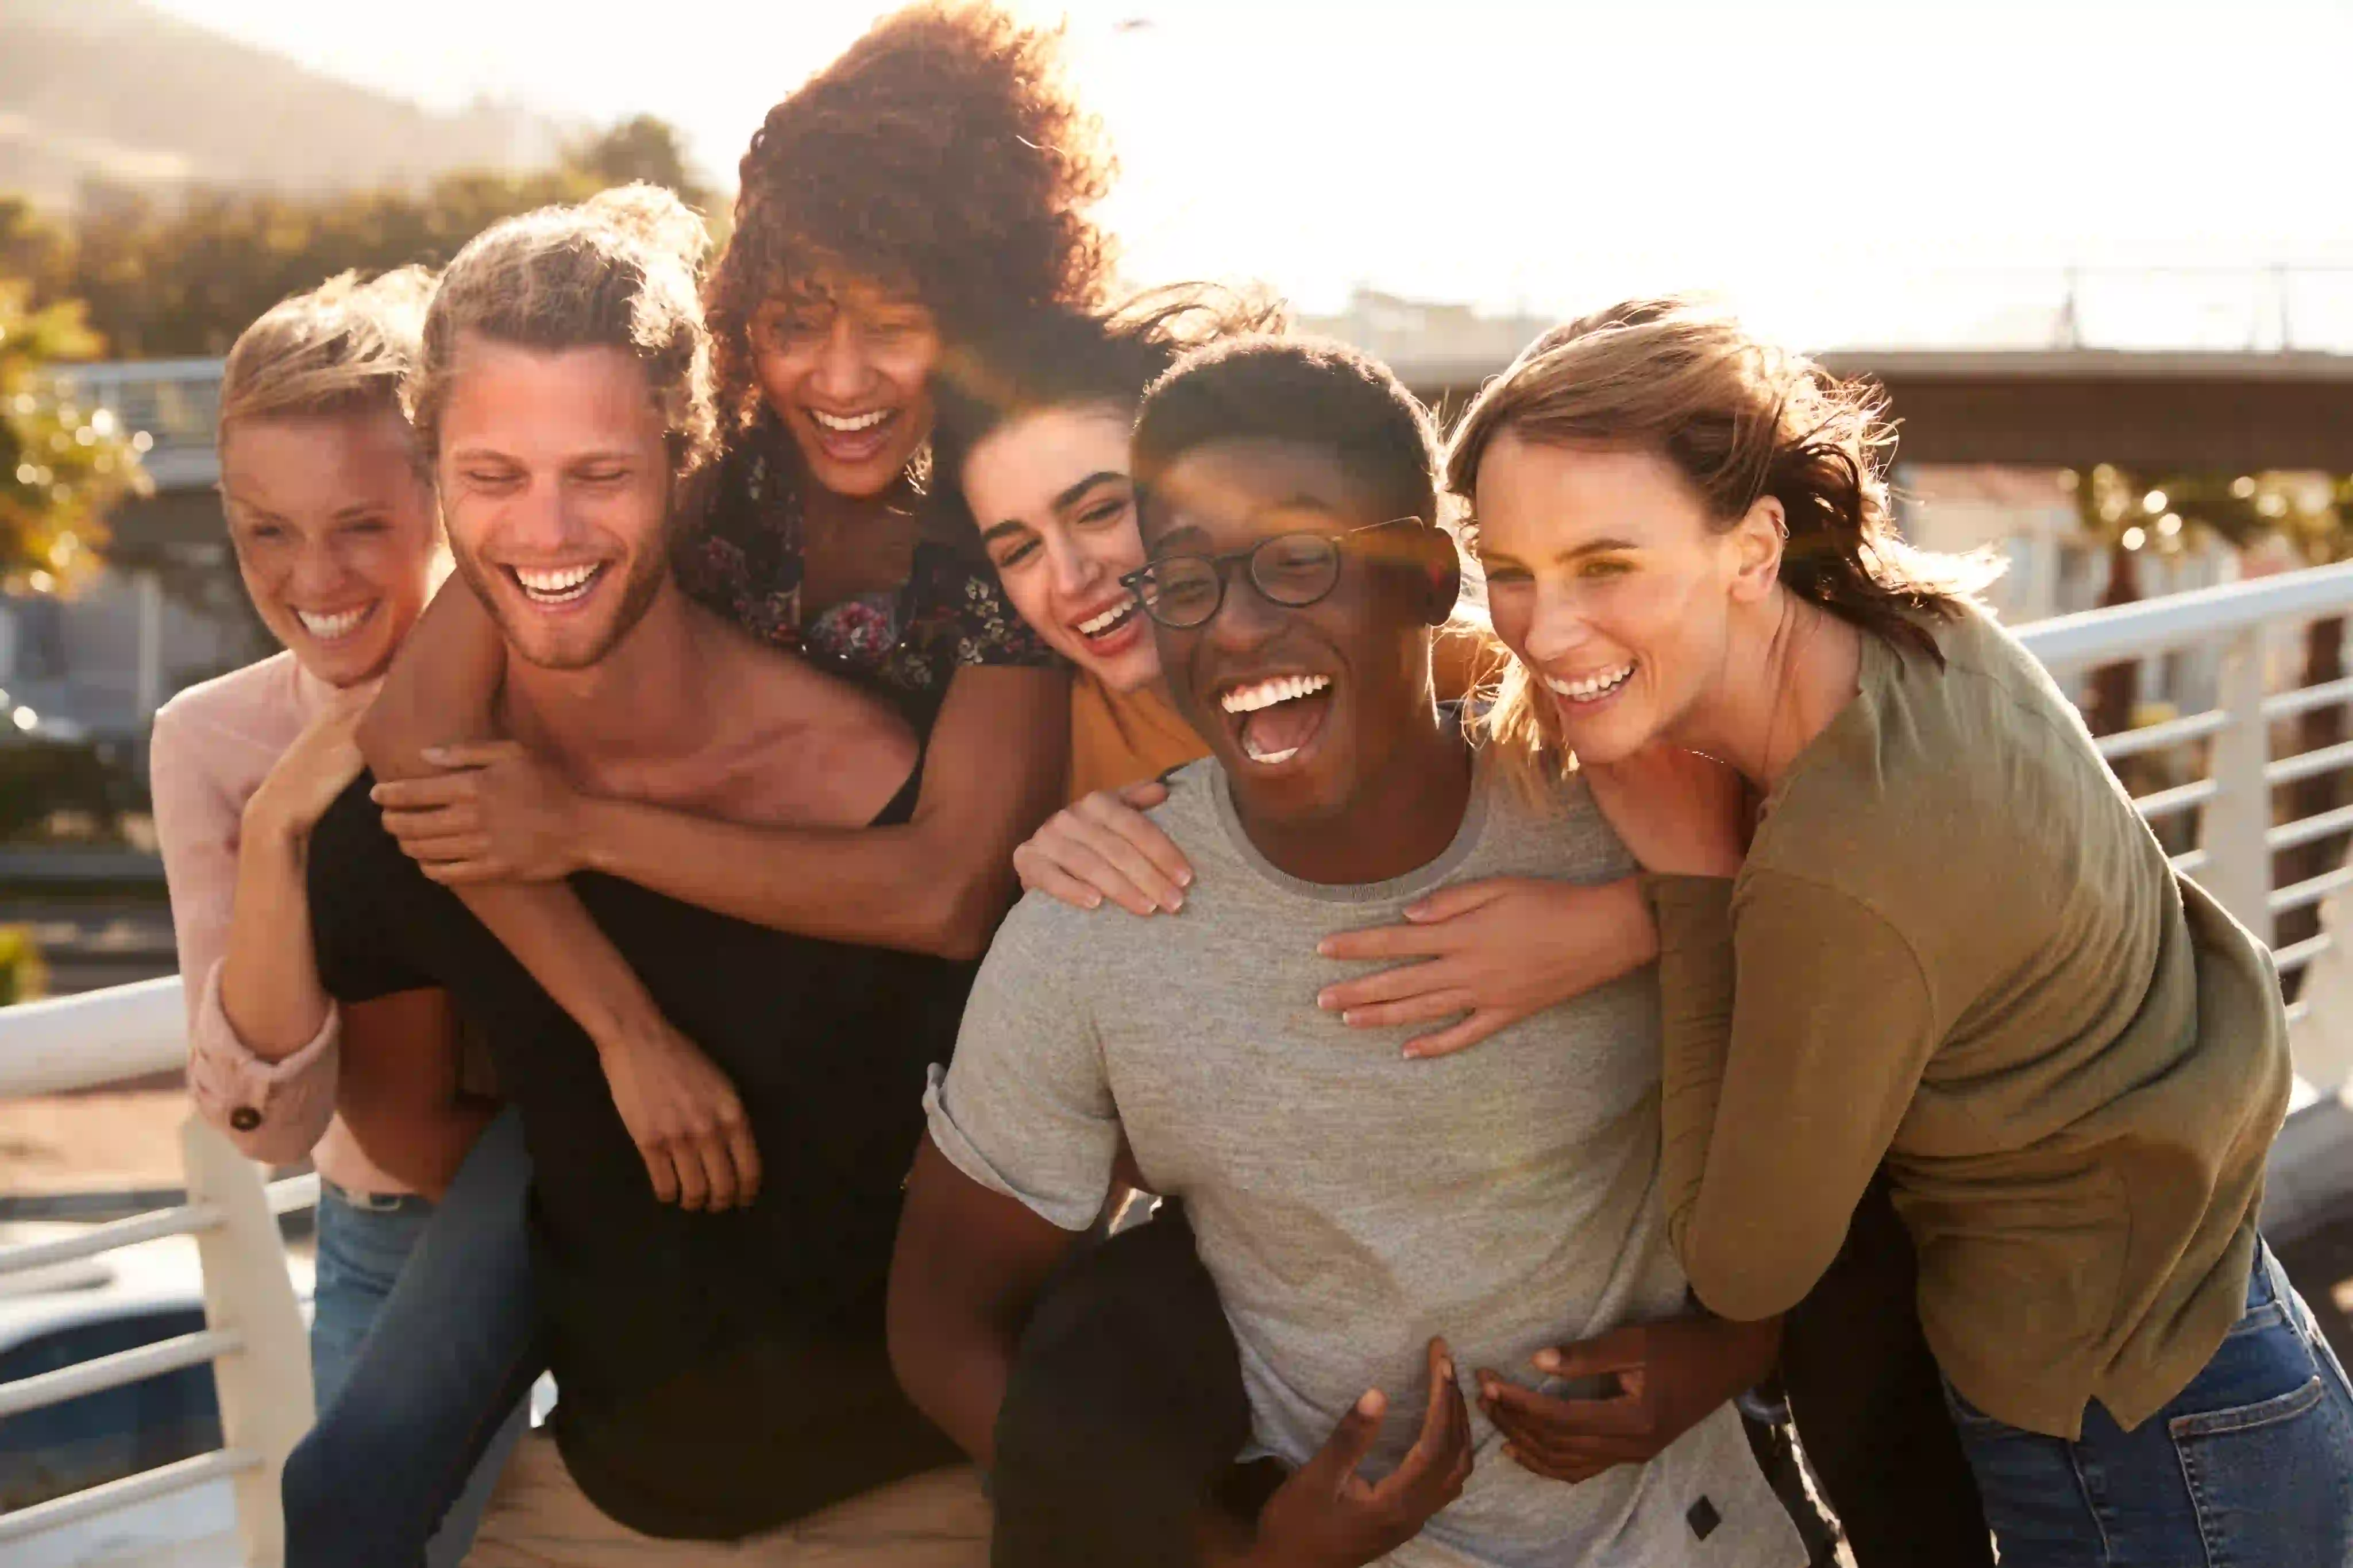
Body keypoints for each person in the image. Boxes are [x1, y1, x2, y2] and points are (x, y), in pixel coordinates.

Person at [1449, 296, 2353, 1565]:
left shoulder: (1843, 856)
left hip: (2139, 1448)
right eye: (1508, 570)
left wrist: (1689, 887)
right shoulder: (1914, 632)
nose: (1540, 630)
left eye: (1605, 566)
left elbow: (1745, 1268)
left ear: (1752, 547)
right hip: (2218, 1340)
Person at [892, 335, 1806, 1568]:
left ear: (1427, 575)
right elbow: (942, 1325)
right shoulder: (1091, 928)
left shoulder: (1636, 817)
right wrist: (1234, 1558)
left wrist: (1730, 1350)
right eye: (1188, 581)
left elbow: (1843, 1092)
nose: (1236, 628)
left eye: (1296, 561)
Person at [303, 187, 987, 1566]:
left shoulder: (888, 782)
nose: (547, 530)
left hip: (929, 1501)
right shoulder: (398, 831)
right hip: (588, 1509)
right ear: (432, 474)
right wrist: (618, 1067)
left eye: (600, 474)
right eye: (493, 476)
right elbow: (404, 1126)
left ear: (690, 459)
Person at [352, 3, 1104, 1218]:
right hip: (659, 1065)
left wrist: (578, 828)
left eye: (894, 325)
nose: (838, 378)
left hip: (922, 1120)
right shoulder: (690, 459)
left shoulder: (1007, 526)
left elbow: (946, 893)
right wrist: (625, 1030)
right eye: (795, 322)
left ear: (978, 319)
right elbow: (412, 740)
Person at [147, 270, 525, 1567]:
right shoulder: (210, 742)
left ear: (444, 496)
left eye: (361, 525)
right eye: (267, 530)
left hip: (618, 1208)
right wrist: (278, 827)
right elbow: (266, 1126)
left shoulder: (559, 679)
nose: (313, 577)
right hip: (383, 1247)